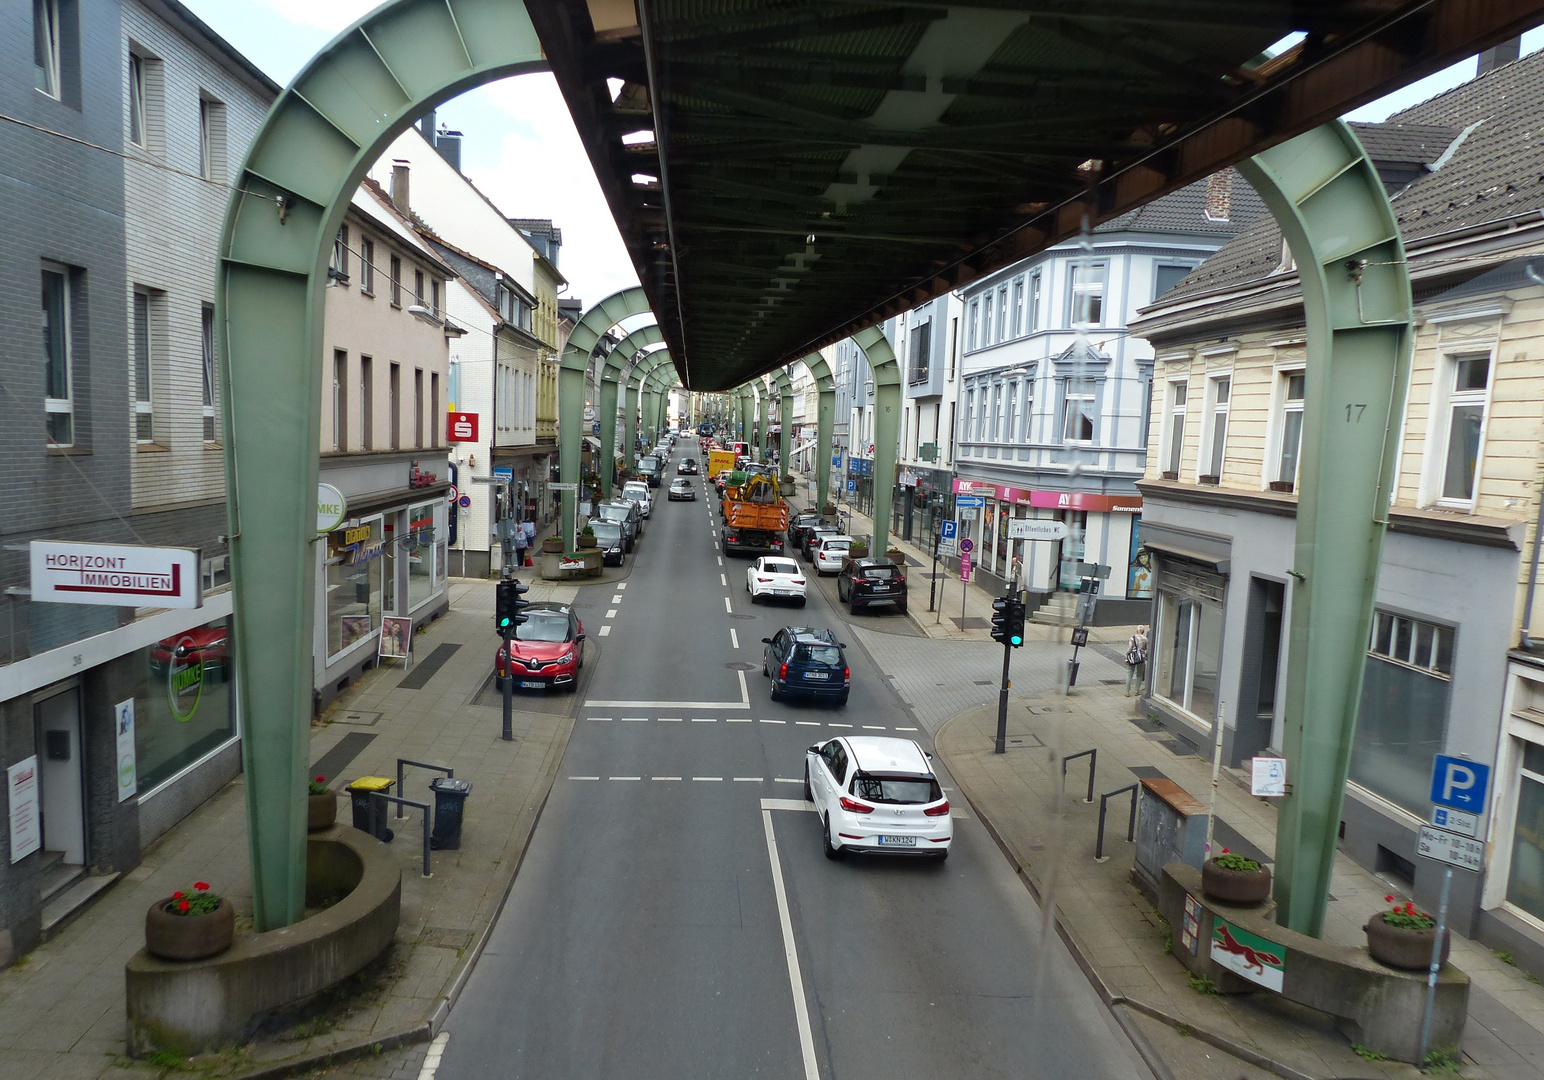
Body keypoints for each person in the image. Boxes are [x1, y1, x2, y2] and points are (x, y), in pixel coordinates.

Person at [1125, 625, 1149, 697]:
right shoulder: (1145, 639)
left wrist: (1127, 657)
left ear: (1137, 631)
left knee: (1129, 674)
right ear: (1143, 631)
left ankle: (1127, 692)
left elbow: (1129, 648)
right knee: (1139, 674)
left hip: (1132, 657)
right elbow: (1147, 649)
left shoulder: (1132, 638)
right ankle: (1136, 691)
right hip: (1141, 658)